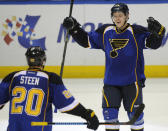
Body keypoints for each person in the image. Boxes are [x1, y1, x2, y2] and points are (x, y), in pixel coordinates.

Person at [63, 3, 165, 131]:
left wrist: (160, 33)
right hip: (111, 83)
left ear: (127, 16)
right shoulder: (106, 32)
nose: (117, 18)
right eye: (115, 16)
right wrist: (74, 28)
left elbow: (153, 44)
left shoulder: (136, 32)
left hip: (132, 83)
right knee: (110, 119)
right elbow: (86, 41)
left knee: (136, 118)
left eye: (120, 15)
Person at [0, 46, 99, 131]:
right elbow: (68, 105)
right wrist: (86, 114)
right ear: (43, 60)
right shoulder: (50, 79)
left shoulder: (13, 77)